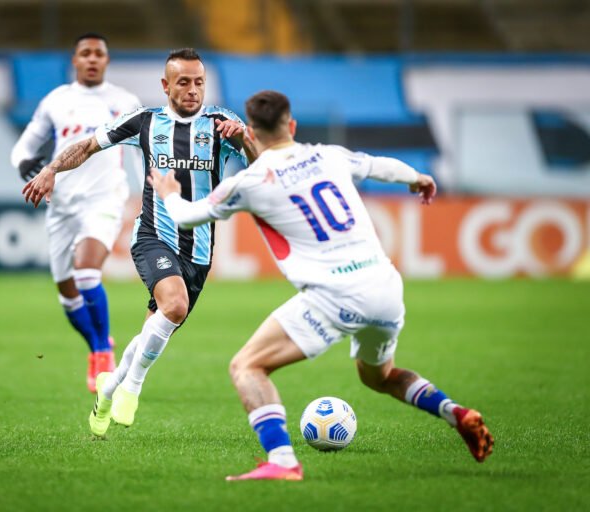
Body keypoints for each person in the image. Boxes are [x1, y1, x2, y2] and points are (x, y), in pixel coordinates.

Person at [148, 90, 494, 481]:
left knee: (247, 366)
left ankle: (281, 462)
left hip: (334, 295)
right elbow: (381, 167)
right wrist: (418, 179)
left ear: (251, 134)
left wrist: (170, 194)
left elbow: (190, 217)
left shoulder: (249, 182)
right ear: (291, 126)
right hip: (384, 286)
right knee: (378, 377)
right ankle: (456, 413)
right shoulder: (329, 154)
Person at [23, 48, 255, 435]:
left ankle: (109, 386)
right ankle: (132, 387)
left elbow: (264, 166)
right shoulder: (145, 122)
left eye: (199, 82)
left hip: (198, 250)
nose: (193, 89)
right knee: (175, 305)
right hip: (153, 236)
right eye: (183, 82)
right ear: (166, 86)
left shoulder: (223, 122)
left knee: (156, 326)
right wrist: (51, 169)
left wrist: (245, 139)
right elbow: (87, 145)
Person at [11, 33, 142, 393]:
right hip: (62, 205)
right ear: (75, 60)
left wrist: (150, 189)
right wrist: (28, 166)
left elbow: (141, 150)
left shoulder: (124, 101)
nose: (92, 59)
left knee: (86, 273)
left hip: (104, 199)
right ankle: (97, 344)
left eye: (99, 53)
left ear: (107, 60)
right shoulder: (57, 101)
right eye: (85, 53)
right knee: (67, 294)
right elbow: (25, 146)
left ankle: (102, 353)